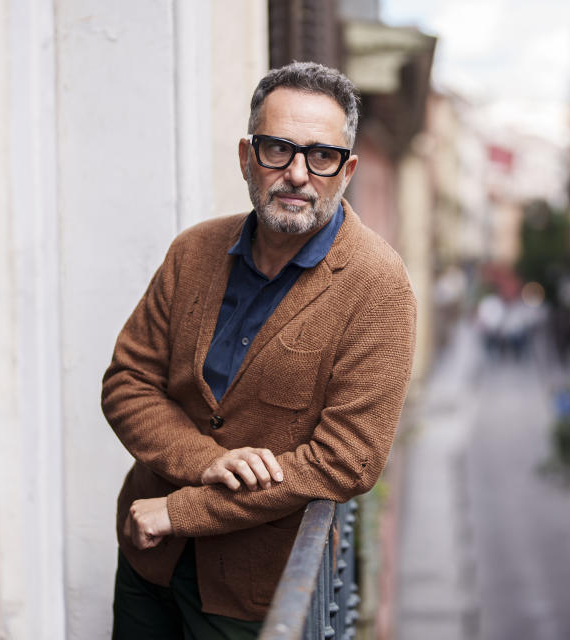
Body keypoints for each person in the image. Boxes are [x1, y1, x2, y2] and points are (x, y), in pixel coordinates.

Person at [102, 61, 416, 638]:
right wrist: (203, 460)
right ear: (248, 156)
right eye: (278, 149)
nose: (297, 173)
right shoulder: (193, 250)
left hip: (257, 596)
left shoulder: (377, 286)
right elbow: (127, 381)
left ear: (345, 170)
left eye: (320, 156)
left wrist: (182, 510)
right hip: (149, 562)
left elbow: (347, 460)